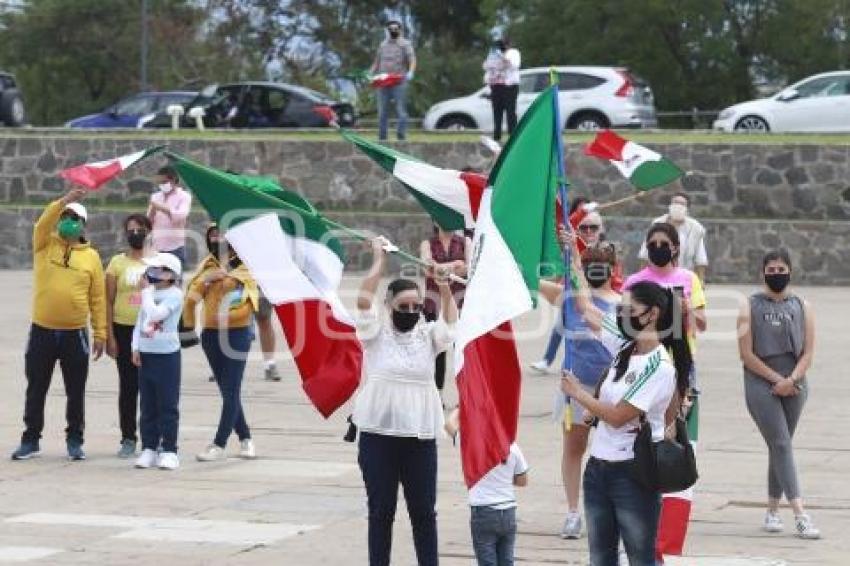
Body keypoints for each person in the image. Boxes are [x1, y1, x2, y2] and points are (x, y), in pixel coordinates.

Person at [545, 238, 692, 565]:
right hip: (598, 470)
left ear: (652, 315)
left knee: (640, 557)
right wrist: (574, 257)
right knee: (600, 556)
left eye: (629, 309)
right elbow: (585, 307)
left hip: (633, 474)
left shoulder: (658, 367)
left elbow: (617, 416)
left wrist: (578, 394)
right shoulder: (625, 346)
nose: (621, 313)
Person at [352, 237, 457, 566]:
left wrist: (444, 288)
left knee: (424, 513)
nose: (411, 312)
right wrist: (378, 262)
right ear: (390, 305)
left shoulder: (427, 336)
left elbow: (450, 324)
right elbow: (363, 301)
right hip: (378, 438)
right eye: (403, 306)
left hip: (419, 439)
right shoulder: (375, 335)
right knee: (381, 513)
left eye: (416, 306)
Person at [623, 222, 707, 561]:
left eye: (664, 243)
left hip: (681, 370)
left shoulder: (689, 279)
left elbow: (702, 324)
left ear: (675, 247)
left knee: (676, 452)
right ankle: (638, 535)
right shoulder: (634, 282)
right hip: (642, 368)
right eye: (652, 242)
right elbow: (624, 326)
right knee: (640, 449)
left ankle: (668, 546)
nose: (659, 247)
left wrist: (687, 310)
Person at [12, 189, 106, 461]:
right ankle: (31, 439)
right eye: (65, 216)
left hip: (75, 334)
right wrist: (62, 201)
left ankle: (75, 440)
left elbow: (98, 298)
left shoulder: (92, 258)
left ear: (83, 226)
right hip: (42, 330)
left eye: (74, 217)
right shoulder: (44, 244)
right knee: (36, 386)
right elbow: (43, 222)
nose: (68, 221)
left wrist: (100, 332)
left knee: (75, 390)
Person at [736, 250, 820, 539]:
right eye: (770, 269)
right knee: (782, 444)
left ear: (790, 271)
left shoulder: (802, 305)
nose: (776, 273)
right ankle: (800, 514)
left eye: (781, 268)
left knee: (779, 445)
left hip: (795, 382)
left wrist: (792, 379)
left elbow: (808, 352)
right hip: (761, 382)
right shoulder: (749, 306)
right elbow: (746, 354)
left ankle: (772, 510)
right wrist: (776, 379)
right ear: (762, 273)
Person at [541, 244, 622, 540]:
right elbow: (531, 282)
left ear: (613, 268)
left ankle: (609, 511)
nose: (596, 268)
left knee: (611, 453)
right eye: (590, 263)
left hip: (613, 390)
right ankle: (573, 512)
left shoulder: (623, 303)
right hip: (576, 388)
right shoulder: (569, 299)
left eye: (603, 263)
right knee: (574, 448)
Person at [184, 225, 260, 461]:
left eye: (221, 233)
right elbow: (191, 297)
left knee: (230, 389)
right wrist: (205, 281)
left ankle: (219, 443)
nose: (216, 238)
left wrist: (228, 317)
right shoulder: (208, 265)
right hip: (210, 335)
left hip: (236, 334)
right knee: (227, 391)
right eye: (212, 235)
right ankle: (246, 438)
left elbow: (250, 304)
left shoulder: (245, 265)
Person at [530, 206, 622, 374]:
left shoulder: (621, 305)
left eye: (593, 227)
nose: (588, 231)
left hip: (607, 388)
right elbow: (535, 283)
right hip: (573, 386)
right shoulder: (571, 297)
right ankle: (547, 359)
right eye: (584, 227)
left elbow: (587, 297)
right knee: (560, 328)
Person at [446, 407, 528, 566]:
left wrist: (461, 407)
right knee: (507, 560)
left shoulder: (471, 443)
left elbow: (449, 424)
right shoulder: (511, 446)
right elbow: (522, 480)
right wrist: (502, 478)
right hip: (508, 510)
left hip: (483, 511)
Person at [106, 213, 155, 458]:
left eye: (140, 229)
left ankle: (151, 437)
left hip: (150, 332)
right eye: (131, 229)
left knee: (151, 386)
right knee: (128, 386)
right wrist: (109, 336)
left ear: (149, 231)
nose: (135, 233)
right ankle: (128, 436)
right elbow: (108, 300)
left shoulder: (158, 262)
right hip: (123, 330)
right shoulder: (117, 262)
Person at [131, 253, 184, 470]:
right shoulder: (149, 293)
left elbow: (155, 315)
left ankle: (169, 450)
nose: (151, 273)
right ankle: (149, 448)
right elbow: (140, 320)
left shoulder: (175, 295)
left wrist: (145, 292)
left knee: (168, 404)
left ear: (170, 275)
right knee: (147, 403)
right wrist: (135, 346)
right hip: (147, 354)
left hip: (167, 355)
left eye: (158, 269)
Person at [419, 223, 470, 395]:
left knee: (461, 351)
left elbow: (468, 269)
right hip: (434, 302)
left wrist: (441, 267)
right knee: (437, 351)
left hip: (459, 302)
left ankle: (464, 396)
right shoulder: (427, 244)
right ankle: (437, 395)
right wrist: (455, 264)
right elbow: (427, 268)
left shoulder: (466, 242)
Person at [638, 192, 708, 283]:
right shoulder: (657, 224)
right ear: (670, 206)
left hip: (683, 279)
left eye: (682, 204)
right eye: (675, 203)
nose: (678, 206)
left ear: (687, 209)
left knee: (677, 297)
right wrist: (640, 278)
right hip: (657, 277)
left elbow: (700, 259)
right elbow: (644, 254)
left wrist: (701, 280)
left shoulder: (696, 229)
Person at [371, 19, 416, 141]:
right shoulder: (383, 45)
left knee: (401, 111)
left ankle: (401, 135)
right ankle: (382, 138)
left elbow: (412, 60)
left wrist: (410, 72)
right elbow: (377, 61)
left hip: (399, 81)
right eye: (391, 29)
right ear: (387, 30)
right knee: (382, 113)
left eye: (395, 29)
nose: (393, 31)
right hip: (383, 81)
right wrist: (370, 73)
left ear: (400, 30)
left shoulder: (405, 44)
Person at [147, 165, 192, 268]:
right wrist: (152, 211)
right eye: (159, 182)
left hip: (175, 247)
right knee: (155, 280)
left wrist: (160, 207)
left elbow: (181, 215)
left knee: (176, 281)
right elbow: (148, 222)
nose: (161, 185)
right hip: (157, 247)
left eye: (164, 182)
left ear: (174, 180)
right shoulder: (155, 197)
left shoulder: (184, 196)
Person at [483, 38, 520, 142]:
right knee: (497, 111)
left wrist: (503, 59)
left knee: (510, 111)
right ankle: (497, 135)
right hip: (496, 86)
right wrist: (492, 61)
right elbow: (486, 67)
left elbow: (514, 66)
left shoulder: (514, 53)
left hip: (509, 86)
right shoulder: (492, 54)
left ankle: (512, 135)